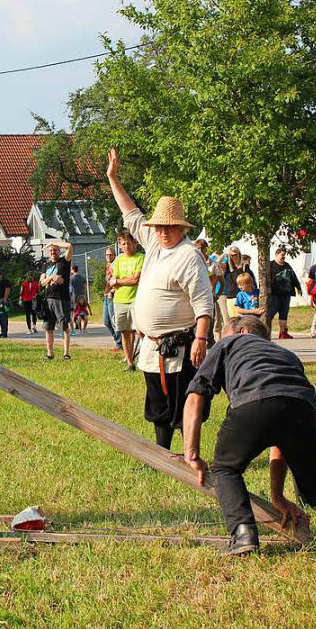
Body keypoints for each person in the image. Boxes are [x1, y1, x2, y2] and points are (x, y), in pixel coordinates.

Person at [183, 315, 316, 558]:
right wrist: (278, 497)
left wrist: (192, 454)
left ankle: (243, 535)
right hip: (303, 409)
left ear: (241, 332)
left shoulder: (228, 344)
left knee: (225, 469)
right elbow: (281, 434)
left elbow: (195, 397)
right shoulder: (285, 355)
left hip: (252, 402)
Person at [106, 148, 213, 450]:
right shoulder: (153, 243)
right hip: (153, 346)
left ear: (181, 228)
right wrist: (113, 178)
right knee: (158, 406)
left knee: (184, 405)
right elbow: (130, 213)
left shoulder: (189, 256)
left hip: (181, 346)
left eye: (169, 227)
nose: (163, 232)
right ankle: (163, 455)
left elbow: (204, 304)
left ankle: (191, 455)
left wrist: (201, 342)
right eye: (160, 227)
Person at [110, 230, 144, 370]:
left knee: (140, 331)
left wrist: (118, 281)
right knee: (124, 332)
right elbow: (113, 281)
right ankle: (130, 363)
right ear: (120, 245)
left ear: (134, 243)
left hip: (136, 299)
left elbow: (136, 279)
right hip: (120, 300)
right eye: (123, 244)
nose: (126, 246)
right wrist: (120, 281)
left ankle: (145, 360)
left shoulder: (141, 257)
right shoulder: (118, 260)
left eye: (129, 243)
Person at [40, 240, 74, 360]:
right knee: (48, 328)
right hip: (49, 299)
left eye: (55, 250)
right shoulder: (46, 265)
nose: (53, 252)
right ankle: (50, 353)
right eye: (51, 250)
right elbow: (42, 282)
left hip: (62, 299)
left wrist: (53, 242)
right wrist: (52, 277)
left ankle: (66, 353)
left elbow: (69, 246)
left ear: (59, 251)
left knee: (64, 327)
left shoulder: (64, 262)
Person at [267, 246, 302, 339]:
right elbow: (264, 279)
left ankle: (283, 333)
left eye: (284, 255)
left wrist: (298, 288)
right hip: (274, 294)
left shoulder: (287, 266)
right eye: (281, 255)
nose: (283, 257)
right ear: (276, 255)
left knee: (284, 314)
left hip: (286, 294)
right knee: (270, 313)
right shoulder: (270, 265)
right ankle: (265, 332)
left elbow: (293, 277)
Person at [221, 247, 254, 321]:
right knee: (232, 321)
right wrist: (224, 254)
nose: (233, 257)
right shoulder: (227, 266)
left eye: (235, 254)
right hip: (230, 296)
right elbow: (216, 263)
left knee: (242, 321)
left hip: (242, 296)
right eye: (231, 255)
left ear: (239, 254)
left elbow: (251, 281)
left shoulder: (244, 267)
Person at [101, 247, 121, 350]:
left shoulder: (116, 265)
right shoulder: (108, 265)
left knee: (113, 321)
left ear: (114, 255)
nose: (108, 257)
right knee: (106, 321)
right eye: (107, 255)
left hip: (112, 296)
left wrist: (112, 291)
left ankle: (119, 344)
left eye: (110, 254)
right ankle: (117, 340)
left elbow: (120, 280)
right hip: (106, 295)